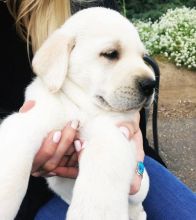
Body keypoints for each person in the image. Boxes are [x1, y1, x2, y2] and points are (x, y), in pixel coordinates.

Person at [0, 0, 196, 219]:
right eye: (111, 54)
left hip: (130, 173)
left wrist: (137, 170)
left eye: (142, 57)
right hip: (38, 193)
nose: (147, 77)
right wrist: (29, 162)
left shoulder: (101, 5)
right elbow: (18, 135)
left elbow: (135, 137)